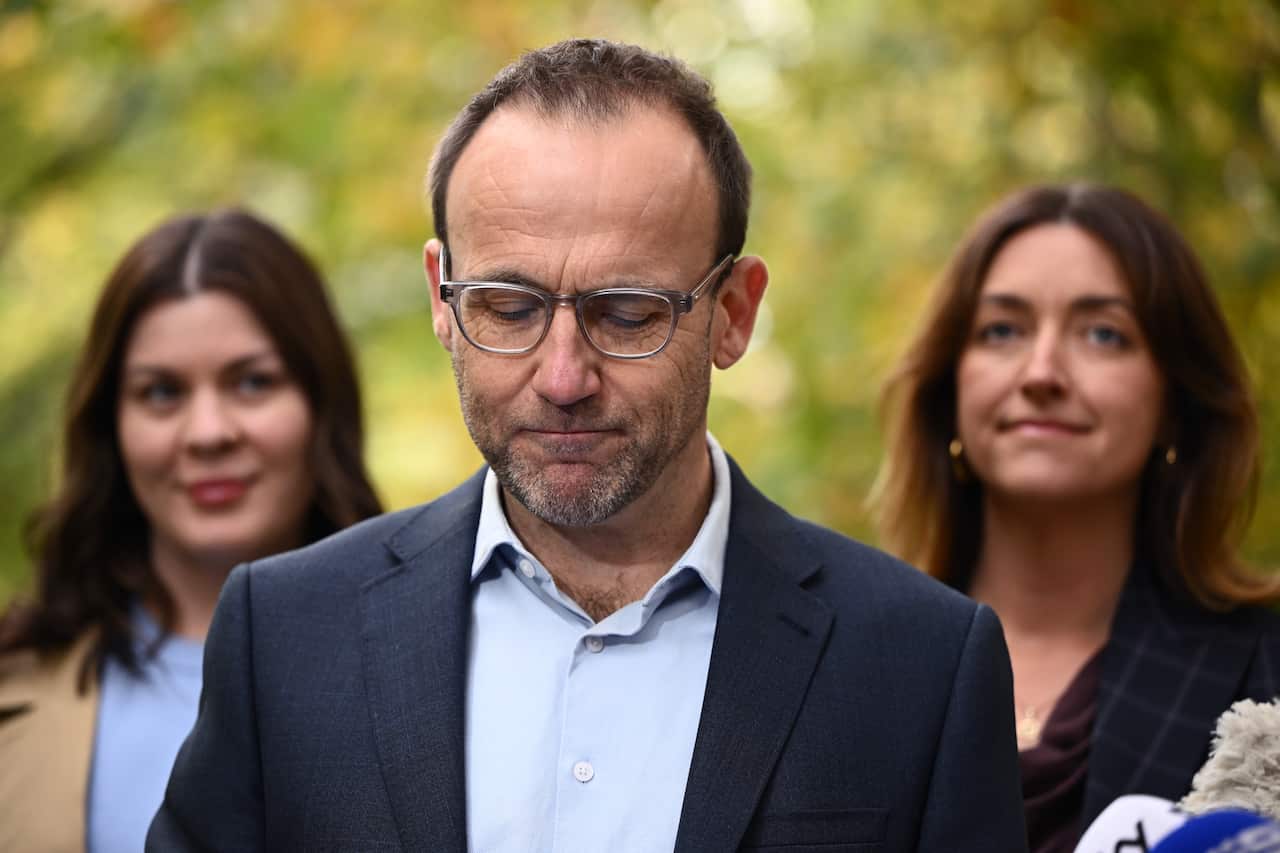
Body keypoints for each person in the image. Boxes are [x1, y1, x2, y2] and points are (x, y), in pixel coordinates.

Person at [150, 39, 1027, 852]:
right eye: (507, 306)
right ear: (440, 299)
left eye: (628, 313)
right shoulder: (286, 635)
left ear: (733, 312)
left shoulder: (923, 664)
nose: (563, 376)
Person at [875, 182, 1280, 852]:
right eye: (1002, 329)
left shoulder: (1264, 671)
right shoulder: (846, 660)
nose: (1042, 372)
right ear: (950, 387)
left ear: (1177, 400)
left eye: (1103, 333)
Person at [0, 209, 383, 852]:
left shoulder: (436, 669)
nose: (208, 432)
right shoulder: (15, 684)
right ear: (109, 424)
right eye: (161, 393)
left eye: (253, 382)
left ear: (321, 405)